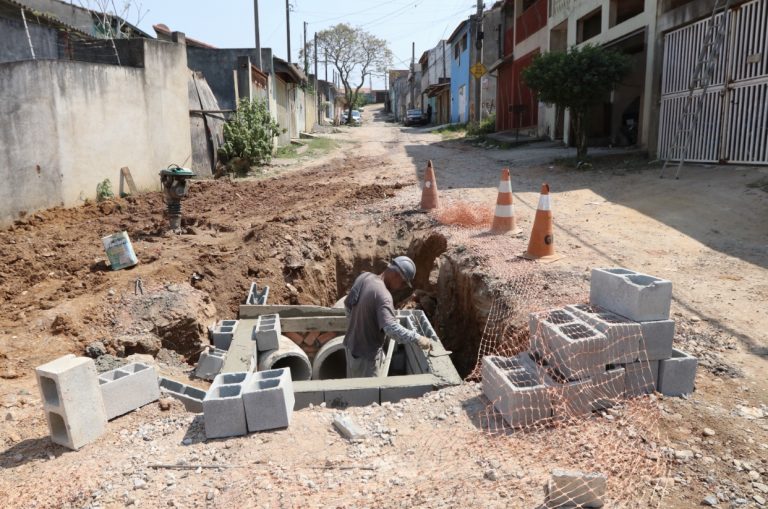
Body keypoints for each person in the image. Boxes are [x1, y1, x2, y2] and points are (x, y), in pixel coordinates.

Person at [343, 256, 432, 378]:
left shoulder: (364, 277)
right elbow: (390, 329)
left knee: (353, 389)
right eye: (403, 283)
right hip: (367, 357)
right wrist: (417, 338)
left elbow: (347, 305)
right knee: (369, 395)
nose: (401, 287)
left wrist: (358, 327)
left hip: (350, 348)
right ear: (396, 274)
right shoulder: (384, 296)